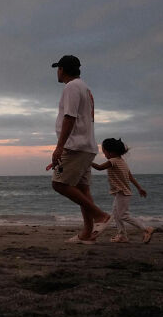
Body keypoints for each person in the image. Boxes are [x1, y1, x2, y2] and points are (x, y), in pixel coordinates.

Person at [47, 55, 111, 244]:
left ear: (63, 70)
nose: (57, 72)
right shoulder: (84, 88)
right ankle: (88, 233)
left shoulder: (72, 87)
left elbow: (70, 117)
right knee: (82, 189)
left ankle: (100, 216)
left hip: (75, 146)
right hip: (86, 145)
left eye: (58, 68)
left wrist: (60, 147)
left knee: (59, 184)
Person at [91, 138, 155, 243]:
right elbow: (130, 176)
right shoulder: (121, 161)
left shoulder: (112, 161)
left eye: (105, 152)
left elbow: (99, 167)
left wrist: (87, 161)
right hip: (122, 193)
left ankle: (146, 229)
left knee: (123, 215)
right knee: (116, 214)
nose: (105, 155)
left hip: (122, 193)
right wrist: (139, 188)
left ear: (111, 152)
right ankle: (122, 236)